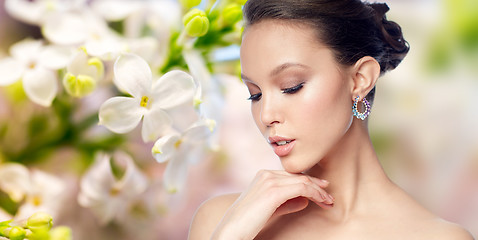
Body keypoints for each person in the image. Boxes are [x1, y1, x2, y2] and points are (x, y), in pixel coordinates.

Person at [189, 0, 474, 239]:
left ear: (360, 79)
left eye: (292, 86)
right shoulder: (221, 220)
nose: (266, 116)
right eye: (255, 94)